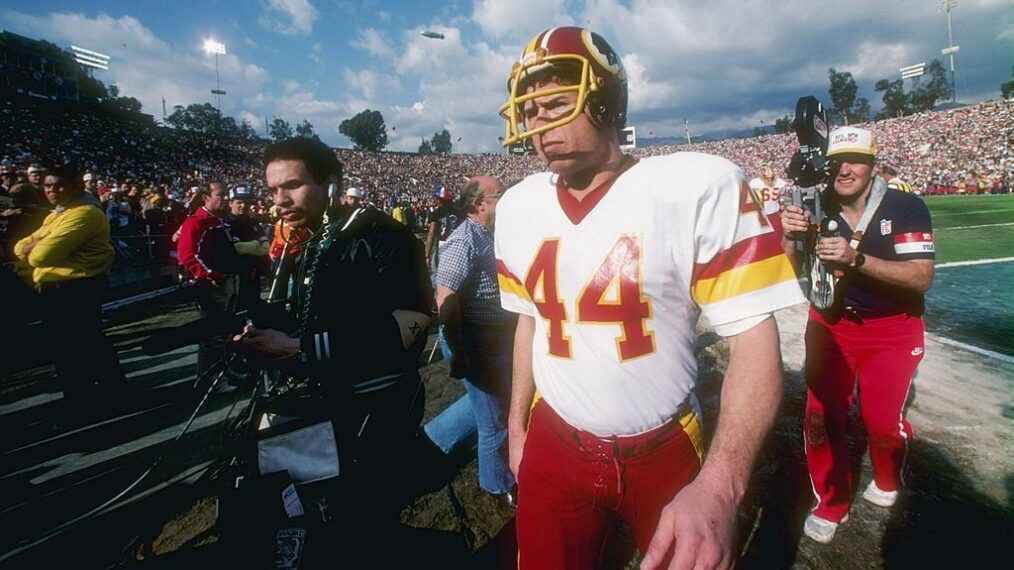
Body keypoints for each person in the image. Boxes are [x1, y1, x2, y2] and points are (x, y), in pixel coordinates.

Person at [493, 27, 804, 569]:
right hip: (555, 436)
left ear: (606, 100)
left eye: (556, 105)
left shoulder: (696, 186)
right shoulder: (518, 205)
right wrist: (517, 428)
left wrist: (722, 487)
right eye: (530, 111)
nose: (537, 126)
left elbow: (754, 343)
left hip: (663, 443)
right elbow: (528, 323)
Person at [236, 137, 433, 564]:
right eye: (271, 190)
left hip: (374, 410)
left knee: (364, 528)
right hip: (325, 409)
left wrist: (298, 349)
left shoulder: (383, 234)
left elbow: (411, 323)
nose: (279, 200)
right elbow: (319, 316)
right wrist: (261, 325)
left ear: (329, 182)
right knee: (318, 522)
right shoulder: (310, 237)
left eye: (291, 185)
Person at [780, 126, 935, 544]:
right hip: (829, 321)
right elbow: (785, 269)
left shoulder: (905, 206)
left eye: (854, 161)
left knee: (882, 423)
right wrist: (790, 238)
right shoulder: (812, 203)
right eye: (835, 163)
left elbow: (921, 279)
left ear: (873, 166)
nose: (843, 170)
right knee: (819, 415)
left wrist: (857, 259)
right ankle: (830, 502)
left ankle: (887, 475)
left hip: (891, 328)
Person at [422, 175, 518, 505]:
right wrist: (460, 352)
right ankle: (497, 483)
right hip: (474, 341)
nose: (506, 198)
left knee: (484, 403)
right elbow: (445, 300)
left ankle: (432, 441)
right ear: (479, 204)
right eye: (500, 194)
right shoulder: (465, 240)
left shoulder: (486, 234)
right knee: (495, 418)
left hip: (489, 340)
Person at [14, 165, 124, 424]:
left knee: (73, 350)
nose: (51, 190)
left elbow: (41, 255)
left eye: (58, 186)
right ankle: (104, 395)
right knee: (83, 346)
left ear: (76, 188)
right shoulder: (58, 214)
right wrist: (34, 245)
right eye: (47, 185)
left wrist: (35, 246)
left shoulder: (84, 213)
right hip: (60, 288)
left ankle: (83, 405)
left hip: (75, 289)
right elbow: (20, 248)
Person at [176, 181, 247, 379]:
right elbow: (187, 255)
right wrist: (211, 275)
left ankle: (225, 372)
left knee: (226, 332)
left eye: (227, 195)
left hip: (230, 282)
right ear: (206, 197)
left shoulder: (219, 221)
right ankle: (210, 379)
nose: (226, 198)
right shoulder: (195, 222)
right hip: (213, 286)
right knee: (212, 335)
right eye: (221, 194)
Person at [424, 185, 461, 274]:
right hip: (456, 246)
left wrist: (427, 255)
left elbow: (431, 233)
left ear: (438, 199)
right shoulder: (457, 212)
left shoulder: (436, 213)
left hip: (441, 246)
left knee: (437, 274)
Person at [749, 164, 788, 235]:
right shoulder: (755, 183)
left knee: (778, 234)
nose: (769, 180)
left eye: (771, 178)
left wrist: (783, 210)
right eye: (766, 178)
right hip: (761, 214)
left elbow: (782, 200)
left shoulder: (780, 183)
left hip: (775, 214)